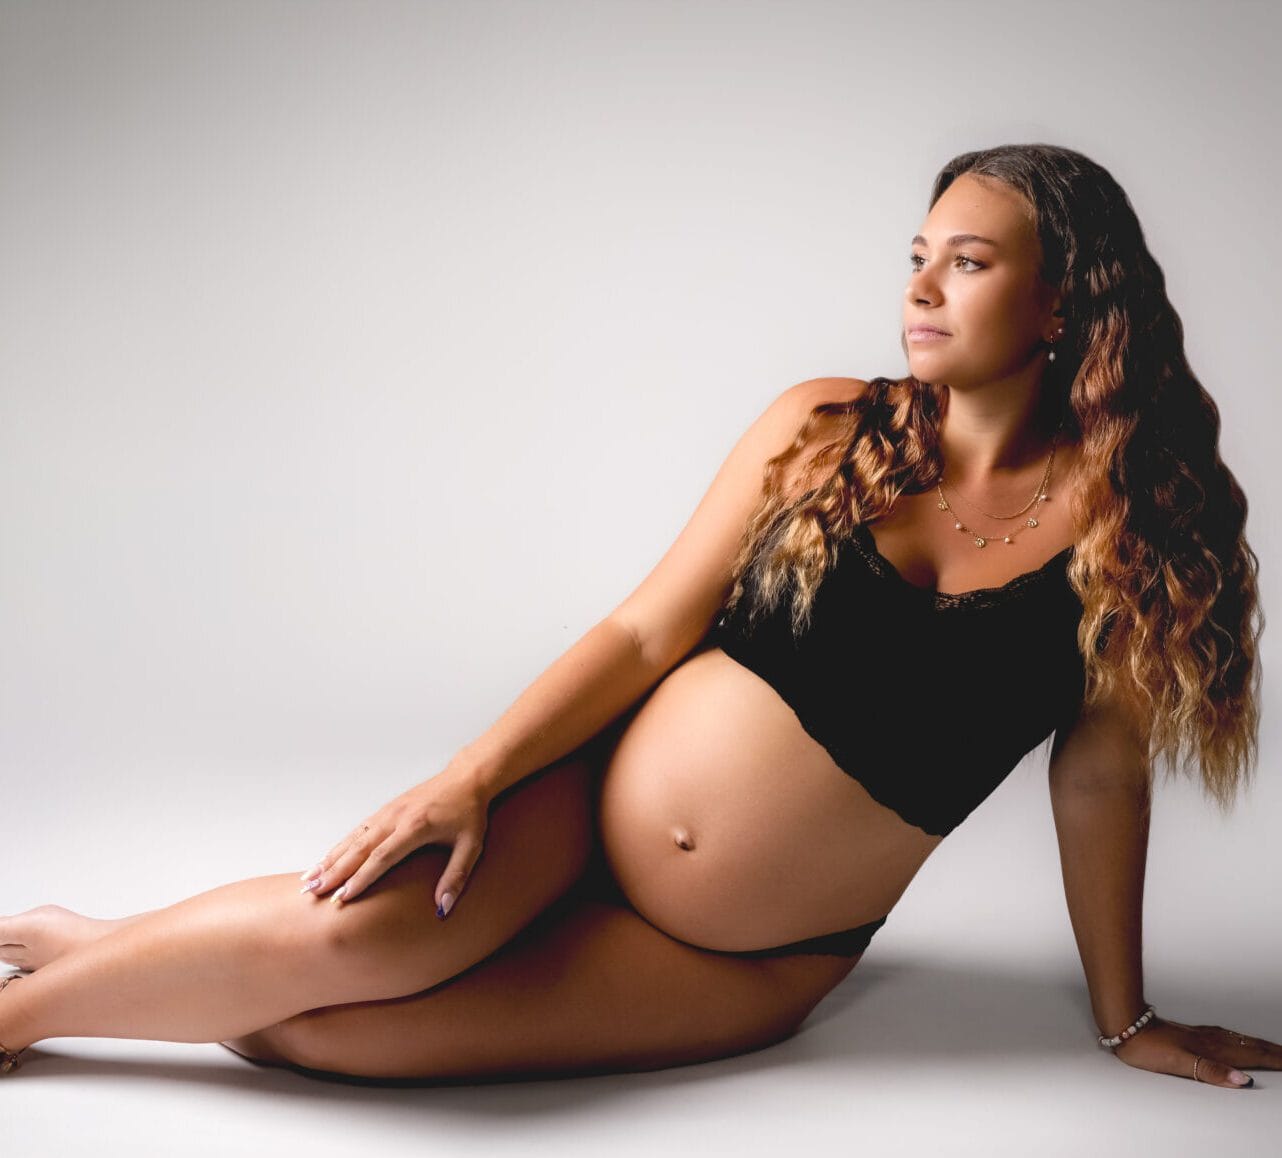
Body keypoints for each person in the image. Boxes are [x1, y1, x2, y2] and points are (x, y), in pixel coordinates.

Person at [2, 142, 1276, 1089]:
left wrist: (1125, 1018)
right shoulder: (825, 427)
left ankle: (86, 945)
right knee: (339, 942)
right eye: (917, 255)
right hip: (579, 809)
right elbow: (639, 635)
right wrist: (472, 777)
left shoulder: (1136, 542)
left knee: (333, 1038)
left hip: (756, 958)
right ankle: (25, 1014)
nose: (924, 286)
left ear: (1062, 305)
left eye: (970, 260)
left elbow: (1100, 779)